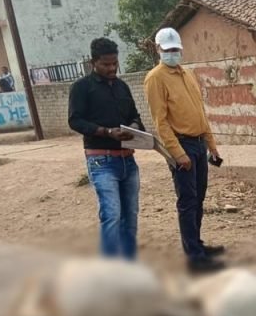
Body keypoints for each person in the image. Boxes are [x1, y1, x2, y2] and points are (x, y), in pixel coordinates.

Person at [145, 27, 226, 274]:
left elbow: (200, 113)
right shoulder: (155, 78)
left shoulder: (187, 74)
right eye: (168, 50)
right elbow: (160, 122)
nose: (173, 53)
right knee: (188, 201)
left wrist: (212, 146)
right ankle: (194, 257)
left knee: (198, 197)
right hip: (182, 145)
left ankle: (197, 245)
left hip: (199, 142)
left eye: (176, 49)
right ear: (158, 50)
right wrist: (178, 153)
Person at [68, 37, 144, 260]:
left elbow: (135, 115)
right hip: (101, 161)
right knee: (112, 215)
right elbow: (75, 121)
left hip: (128, 160)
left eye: (115, 63)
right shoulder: (82, 88)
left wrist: (134, 127)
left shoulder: (122, 86)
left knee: (131, 215)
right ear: (93, 62)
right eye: (106, 64)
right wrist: (106, 132)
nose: (112, 68)